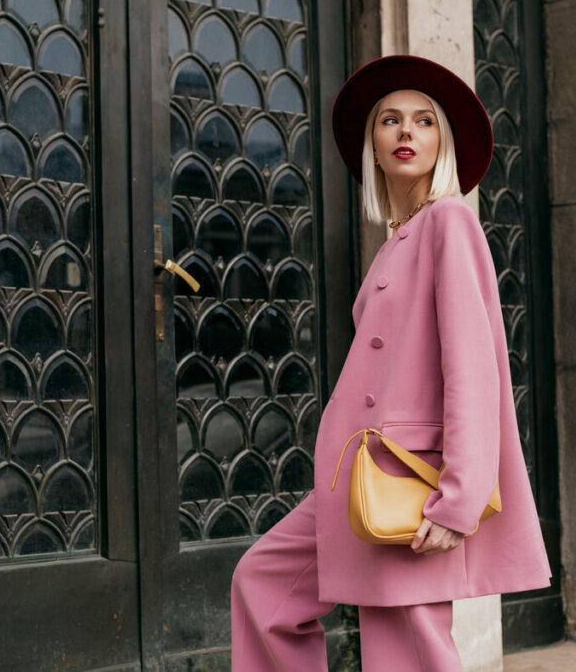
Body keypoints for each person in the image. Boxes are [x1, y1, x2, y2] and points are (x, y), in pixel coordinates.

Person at [230, 55, 551, 671]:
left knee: (406, 649)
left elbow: (472, 369)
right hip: (354, 481)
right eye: (391, 121)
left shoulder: (450, 222)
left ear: (443, 142)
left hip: (409, 479)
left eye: (425, 121)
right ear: (372, 146)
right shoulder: (398, 239)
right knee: (263, 584)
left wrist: (459, 498)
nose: (407, 132)